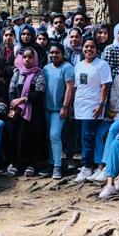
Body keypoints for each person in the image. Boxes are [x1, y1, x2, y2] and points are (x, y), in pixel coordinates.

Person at [72, 38, 113, 182]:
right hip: (79, 106)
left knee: (88, 137)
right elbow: (76, 86)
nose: (89, 49)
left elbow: (104, 86)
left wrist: (101, 104)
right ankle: (88, 165)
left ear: (96, 49)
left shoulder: (101, 65)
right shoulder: (78, 65)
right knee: (83, 137)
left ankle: (87, 167)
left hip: (93, 106)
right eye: (86, 46)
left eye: (92, 47)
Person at [4, 48, 48, 176]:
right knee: (15, 137)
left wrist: (22, 100)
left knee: (31, 137)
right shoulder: (17, 73)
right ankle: (15, 164)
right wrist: (14, 104)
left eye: (29, 57)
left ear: (34, 58)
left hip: (33, 112)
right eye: (24, 57)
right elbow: (11, 91)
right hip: (17, 112)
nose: (27, 60)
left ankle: (31, 164)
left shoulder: (39, 73)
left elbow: (39, 92)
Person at [43, 43, 75, 179]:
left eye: (57, 52)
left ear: (62, 54)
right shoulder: (46, 68)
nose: (54, 55)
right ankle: (51, 162)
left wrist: (65, 106)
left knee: (55, 135)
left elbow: (70, 88)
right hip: (47, 108)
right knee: (49, 137)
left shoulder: (67, 67)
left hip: (59, 108)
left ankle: (58, 166)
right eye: (51, 52)